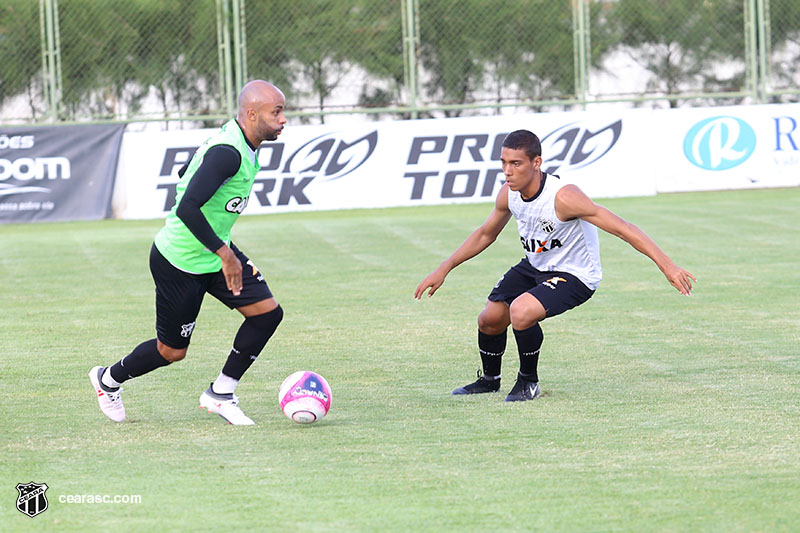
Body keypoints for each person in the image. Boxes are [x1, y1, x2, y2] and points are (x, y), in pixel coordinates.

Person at [414, 129, 695, 402]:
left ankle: (528, 382)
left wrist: (667, 266)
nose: (507, 171)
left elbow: (623, 228)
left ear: (536, 163)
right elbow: (487, 233)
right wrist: (445, 267)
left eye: (516, 163)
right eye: (503, 163)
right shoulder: (508, 193)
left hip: (575, 274)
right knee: (489, 320)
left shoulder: (564, 197)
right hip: (536, 266)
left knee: (521, 311)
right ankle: (490, 381)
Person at [89, 80, 287, 425]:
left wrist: (222, 251)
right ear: (252, 114)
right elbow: (187, 208)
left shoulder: (238, 141)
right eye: (277, 112)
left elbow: (187, 172)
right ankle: (108, 379)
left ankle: (221, 393)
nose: (284, 120)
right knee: (171, 352)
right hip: (179, 261)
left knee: (267, 313)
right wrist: (225, 254)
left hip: (214, 251)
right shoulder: (229, 152)